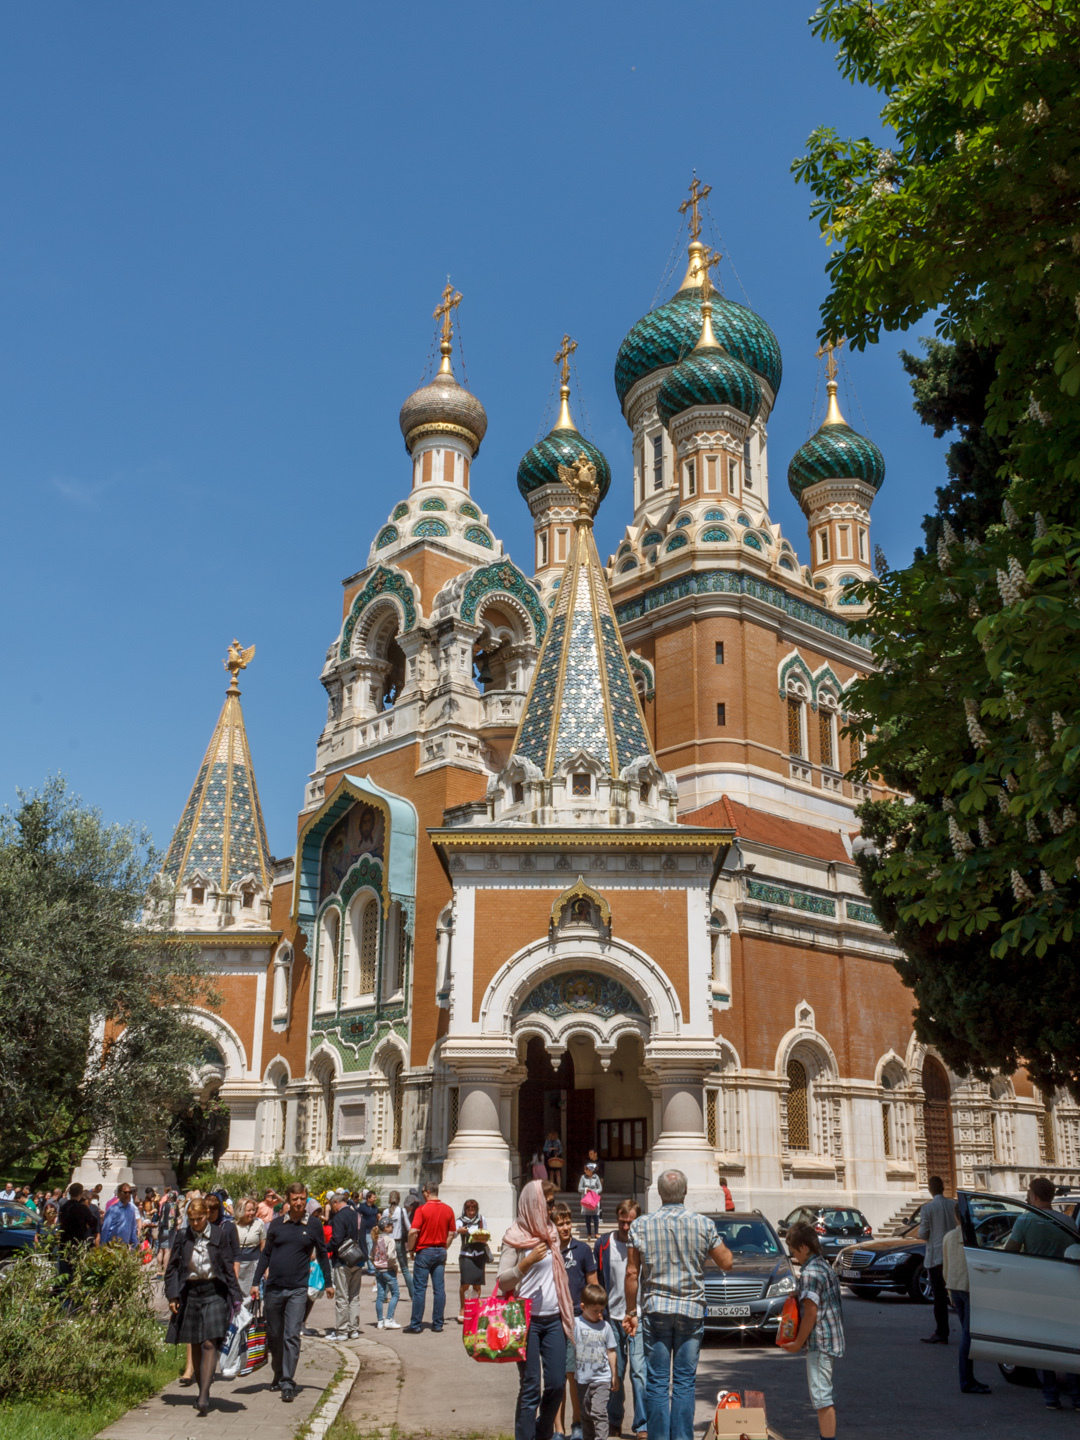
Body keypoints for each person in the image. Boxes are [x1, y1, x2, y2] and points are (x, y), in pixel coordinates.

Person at [624, 1170, 732, 1440]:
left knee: (658, 1381)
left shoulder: (640, 1225)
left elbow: (631, 1273)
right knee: (684, 1382)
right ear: (685, 1192)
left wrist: (630, 1312)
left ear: (659, 1194)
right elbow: (726, 1262)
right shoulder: (703, 1224)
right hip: (690, 1310)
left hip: (656, 1309)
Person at [498, 1179, 575, 1440]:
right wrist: (527, 1262)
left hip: (554, 1319)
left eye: (553, 1204)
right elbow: (503, 1281)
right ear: (534, 1204)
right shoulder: (515, 1237)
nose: (552, 1210)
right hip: (525, 1320)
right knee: (531, 1385)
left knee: (555, 1383)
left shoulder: (551, 1231)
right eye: (548, 1204)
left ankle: (541, 1433)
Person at [251, 1183, 333, 1404]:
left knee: (292, 1334)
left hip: (298, 1288)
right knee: (275, 1336)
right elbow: (266, 1254)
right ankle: (278, 1372)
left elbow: (323, 1255)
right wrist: (256, 1282)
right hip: (274, 1288)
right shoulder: (277, 1225)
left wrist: (328, 1282)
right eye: (295, 1198)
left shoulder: (314, 1225)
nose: (299, 1203)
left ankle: (288, 1381)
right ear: (287, 1200)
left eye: (302, 1199)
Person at [1004, 1176, 1080, 1409]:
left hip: (1036, 1287)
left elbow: (1010, 1251)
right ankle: (1077, 1397)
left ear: (1034, 1196)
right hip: (1065, 1286)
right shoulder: (1068, 1222)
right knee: (1069, 1342)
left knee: (1044, 1343)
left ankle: (1051, 1396)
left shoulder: (1025, 1221)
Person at [165, 1197, 243, 1418]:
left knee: (209, 1341)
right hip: (190, 1292)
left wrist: (236, 1297)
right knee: (196, 1343)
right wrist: (172, 1295)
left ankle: (204, 1395)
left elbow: (228, 1266)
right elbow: (172, 1268)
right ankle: (201, 1388)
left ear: (207, 1215)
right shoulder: (183, 1236)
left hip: (214, 1292)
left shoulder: (219, 1235)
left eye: (198, 1219)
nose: (195, 1223)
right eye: (191, 1220)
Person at [780, 1221, 845, 1440]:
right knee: (823, 1396)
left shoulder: (809, 1273)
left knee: (822, 1399)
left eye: (794, 1251)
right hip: (831, 1339)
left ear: (804, 1247)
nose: (794, 1257)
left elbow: (811, 1313)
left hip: (820, 1342)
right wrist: (799, 1295)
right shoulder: (823, 1265)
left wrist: (797, 1343)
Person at [595, 1200, 646, 1439]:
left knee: (638, 1371)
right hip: (612, 1317)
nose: (626, 1227)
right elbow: (596, 1280)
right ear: (617, 1219)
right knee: (614, 1371)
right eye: (623, 1222)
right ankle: (614, 1420)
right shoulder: (604, 1244)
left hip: (637, 1317)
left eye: (631, 1222)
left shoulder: (644, 1244)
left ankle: (642, 1424)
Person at [554, 1203, 598, 1440]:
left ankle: (577, 1424)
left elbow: (593, 1285)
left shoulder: (582, 1249)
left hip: (577, 1319)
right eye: (560, 1224)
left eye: (568, 1223)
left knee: (574, 1375)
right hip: (553, 1319)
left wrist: (595, 1314)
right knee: (555, 1377)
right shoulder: (548, 1251)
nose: (565, 1228)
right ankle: (558, 1429)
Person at [942, 1202, 989, 1396]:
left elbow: (945, 1265)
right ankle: (966, 1380)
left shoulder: (947, 1237)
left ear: (956, 1217)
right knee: (968, 1336)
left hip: (954, 1286)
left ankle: (969, 1378)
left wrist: (949, 1290)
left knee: (966, 1333)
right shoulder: (974, 1237)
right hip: (969, 1288)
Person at [404, 1182, 456, 1333]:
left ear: (427, 1192)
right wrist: (444, 1246)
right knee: (439, 1288)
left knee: (420, 1289)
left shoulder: (422, 1209)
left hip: (425, 1250)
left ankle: (415, 1324)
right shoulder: (448, 1209)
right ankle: (438, 1323)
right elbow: (452, 1233)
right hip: (440, 1250)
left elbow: (413, 1232)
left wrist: (412, 1248)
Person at [574, 1284, 618, 1440]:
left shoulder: (605, 1326)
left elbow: (611, 1351)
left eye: (602, 1310)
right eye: (595, 1311)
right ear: (583, 1307)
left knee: (599, 1412)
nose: (599, 1314)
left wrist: (614, 1375)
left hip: (602, 1379)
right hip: (583, 1379)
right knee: (585, 1415)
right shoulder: (576, 1324)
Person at [918, 1175, 955, 1344]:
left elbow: (923, 1234)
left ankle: (942, 1331)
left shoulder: (927, 1209)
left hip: (936, 1259)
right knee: (956, 1295)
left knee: (939, 1297)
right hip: (952, 1257)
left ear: (930, 1190)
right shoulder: (953, 1205)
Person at [326, 1193, 363, 1341]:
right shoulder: (357, 1215)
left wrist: (325, 1248)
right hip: (357, 1258)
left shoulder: (339, 1217)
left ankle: (341, 1331)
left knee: (342, 1296)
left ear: (335, 1202)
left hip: (343, 1261)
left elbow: (337, 1239)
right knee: (354, 1296)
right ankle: (353, 1330)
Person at [456, 1198, 490, 1322]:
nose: (471, 1212)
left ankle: (474, 1309)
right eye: (468, 1209)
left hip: (479, 1254)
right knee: (465, 1283)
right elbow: (453, 1234)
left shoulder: (481, 1219)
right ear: (465, 1210)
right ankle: (463, 1308)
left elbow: (486, 1234)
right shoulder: (460, 1221)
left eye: (473, 1209)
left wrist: (482, 1237)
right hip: (466, 1254)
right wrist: (459, 1231)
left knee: (477, 1284)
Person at [372, 1217, 401, 1329]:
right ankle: (389, 1318)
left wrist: (375, 1263)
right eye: (390, 1225)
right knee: (395, 1293)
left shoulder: (376, 1239)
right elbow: (391, 1256)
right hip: (388, 1269)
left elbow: (371, 1255)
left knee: (380, 1295)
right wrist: (395, 1267)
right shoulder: (390, 1240)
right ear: (386, 1227)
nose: (392, 1227)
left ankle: (380, 1320)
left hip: (378, 1270)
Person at [234, 1196, 266, 1294]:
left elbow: (263, 1247)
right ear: (240, 1211)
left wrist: (265, 1268)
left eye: (253, 1210)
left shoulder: (259, 1225)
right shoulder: (232, 1225)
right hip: (236, 1265)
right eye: (249, 1210)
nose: (252, 1213)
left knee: (250, 1294)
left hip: (252, 1265)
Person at [386, 1190, 413, 1298]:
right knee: (405, 1269)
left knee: (389, 1269)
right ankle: (413, 1294)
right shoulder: (402, 1211)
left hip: (388, 1243)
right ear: (398, 1199)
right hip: (398, 1242)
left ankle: (384, 1295)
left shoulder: (385, 1212)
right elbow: (408, 1227)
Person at [58, 1183, 100, 1250]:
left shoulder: (63, 1207)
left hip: (65, 1241)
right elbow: (94, 1222)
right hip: (78, 1240)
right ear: (81, 1193)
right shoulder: (82, 1208)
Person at [98, 1183, 140, 1247]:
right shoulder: (112, 1209)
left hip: (125, 1246)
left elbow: (133, 1227)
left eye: (129, 1192)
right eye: (125, 1192)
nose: (128, 1195)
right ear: (119, 1194)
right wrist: (102, 1246)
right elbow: (105, 1229)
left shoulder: (131, 1209)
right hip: (112, 1245)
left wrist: (134, 1245)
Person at [357, 1190, 381, 1275]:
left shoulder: (375, 1207)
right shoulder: (362, 1207)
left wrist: (380, 1224)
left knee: (374, 1249)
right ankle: (371, 1269)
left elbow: (379, 1216)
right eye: (374, 1197)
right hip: (366, 1231)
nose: (375, 1198)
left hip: (374, 1231)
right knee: (370, 1248)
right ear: (368, 1198)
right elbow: (358, 1217)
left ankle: (373, 1266)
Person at [578, 1165, 603, 1241]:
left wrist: (595, 1191)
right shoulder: (583, 1177)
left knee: (596, 1216)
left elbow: (600, 1188)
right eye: (585, 1169)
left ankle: (596, 1233)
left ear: (591, 1170)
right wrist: (586, 1189)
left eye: (587, 1169)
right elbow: (579, 1188)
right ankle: (589, 1233)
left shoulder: (596, 1177)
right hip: (587, 1198)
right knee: (588, 1217)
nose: (586, 1171)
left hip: (594, 1198)